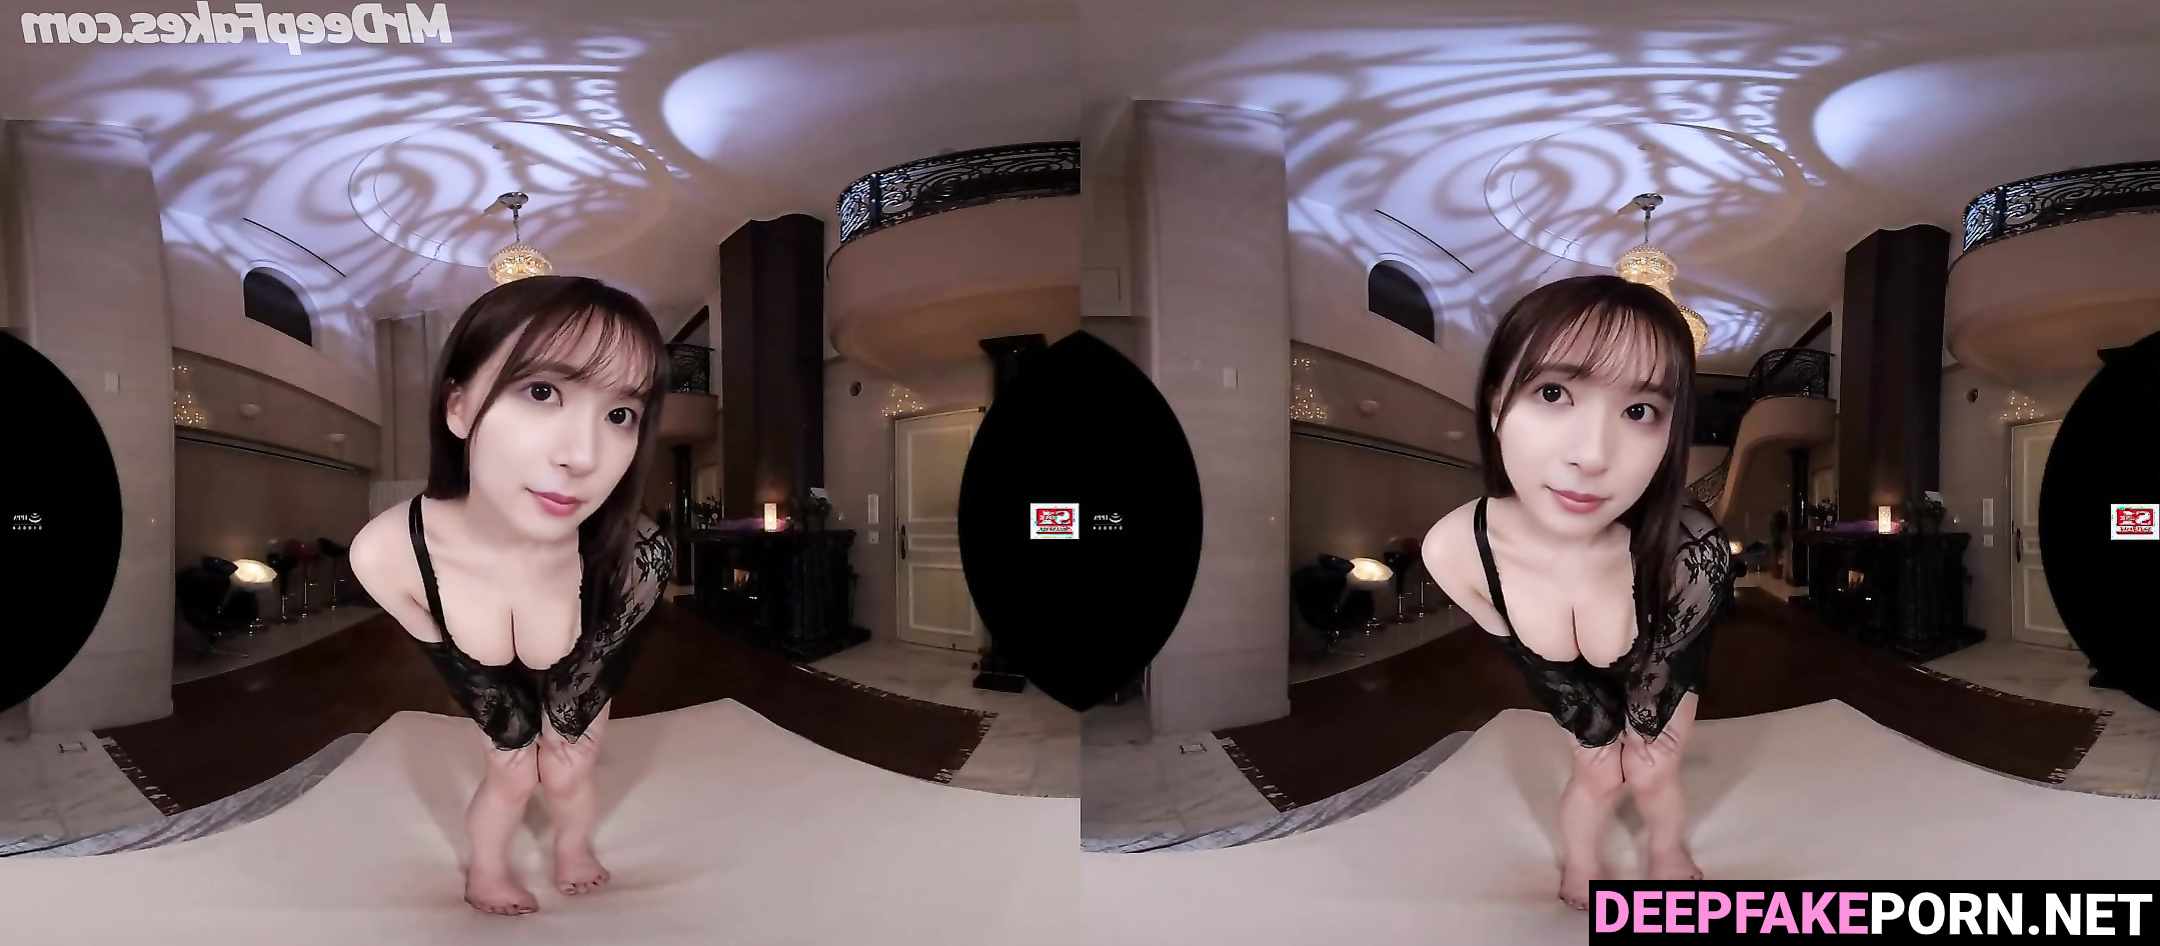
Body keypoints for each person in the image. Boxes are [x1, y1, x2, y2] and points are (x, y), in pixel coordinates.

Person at [349, 275, 674, 915]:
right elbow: (459, 668)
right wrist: (515, 738)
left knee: (568, 769)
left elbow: (602, 662)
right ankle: (486, 870)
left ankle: (572, 847)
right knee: (512, 773)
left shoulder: (639, 556)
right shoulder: (388, 556)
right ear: (459, 407)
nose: (583, 457)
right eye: (542, 391)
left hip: (582, 649)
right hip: (481, 664)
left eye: (620, 415)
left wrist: (563, 733)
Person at [1420, 274, 1733, 910]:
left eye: (1639, 412)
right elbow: (1530, 662)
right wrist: (1595, 735)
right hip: (1563, 673)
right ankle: (1581, 862)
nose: (1592, 456)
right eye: (1553, 392)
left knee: (1650, 771)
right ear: (1496, 405)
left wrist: (1641, 738)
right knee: (1596, 772)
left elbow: (1675, 661)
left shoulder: (1691, 550)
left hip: (1659, 656)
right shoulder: (1456, 552)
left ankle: (1666, 850)